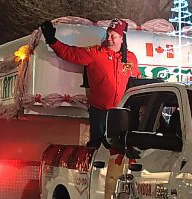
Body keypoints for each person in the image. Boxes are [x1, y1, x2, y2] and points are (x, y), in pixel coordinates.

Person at [40, 19, 141, 147]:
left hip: (122, 112)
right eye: (108, 34)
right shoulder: (95, 53)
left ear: (122, 38)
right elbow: (71, 53)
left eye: (113, 36)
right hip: (100, 111)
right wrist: (52, 41)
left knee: (120, 148)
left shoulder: (131, 58)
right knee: (97, 147)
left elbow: (137, 82)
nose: (109, 38)